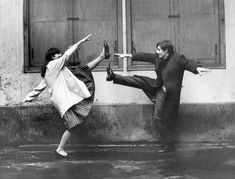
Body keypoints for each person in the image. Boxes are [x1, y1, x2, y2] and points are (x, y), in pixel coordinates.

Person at [106, 40, 210, 143]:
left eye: (159, 50)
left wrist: (196, 68)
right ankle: (113, 76)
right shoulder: (158, 57)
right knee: (140, 81)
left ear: (166, 50)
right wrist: (128, 55)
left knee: (164, 120)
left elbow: (187, 63)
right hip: (158, 88)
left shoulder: (178, 58)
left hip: (171, 96)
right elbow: (146, 56)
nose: (157, 52)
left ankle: (168, 144)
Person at [23, 34, 110, 157]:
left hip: (64, 97)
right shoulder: (53, 65)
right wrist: (80, 42)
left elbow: (40, 87)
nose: (60, 55)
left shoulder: (51, 69)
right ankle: (60, 148)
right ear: (53, 57)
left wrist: (28, 98)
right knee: (73, 125)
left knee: (82, 70)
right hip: (63, 99)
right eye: (57, 54)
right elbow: (66, 56)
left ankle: (102, 56)